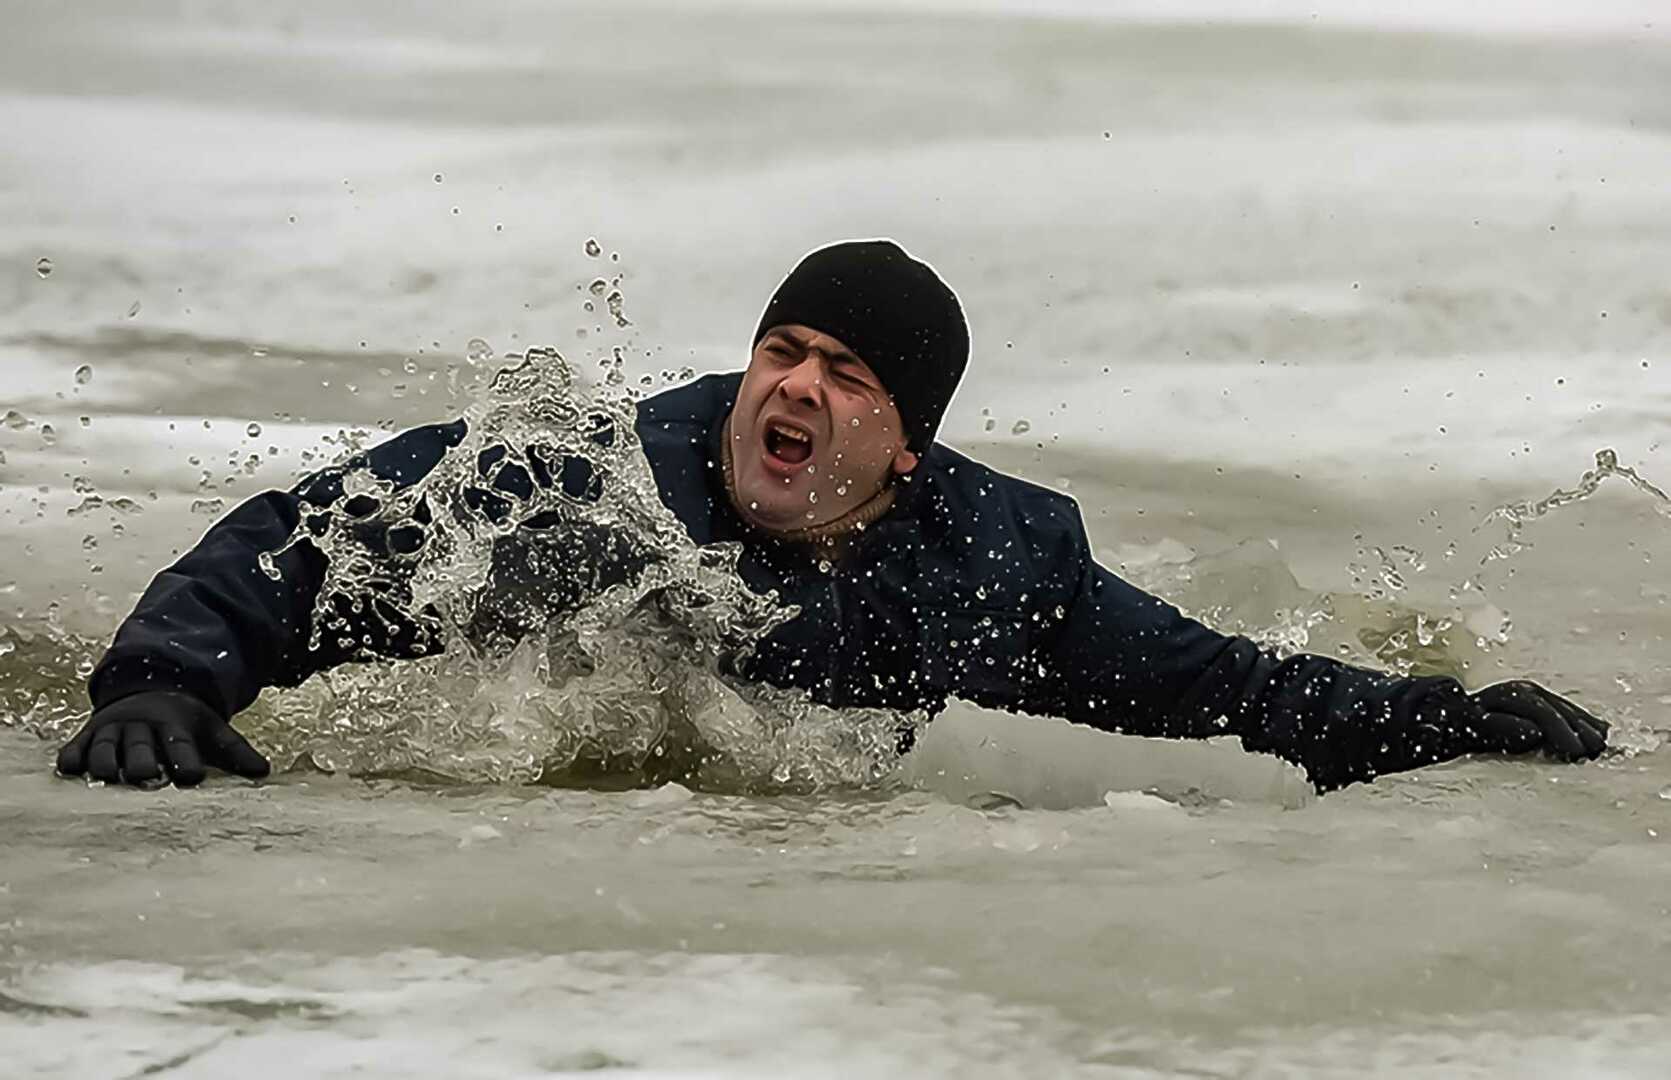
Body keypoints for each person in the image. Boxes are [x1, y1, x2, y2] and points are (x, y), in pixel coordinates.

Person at [55, 240, 1608, 792]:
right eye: (778, 350)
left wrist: (1433, 720)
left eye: (844, 371)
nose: (790, 387)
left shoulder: (1000, 564)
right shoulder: (586, 485)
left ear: (909, 445)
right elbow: (307, 538)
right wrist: (159, 676)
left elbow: (1226, 685)